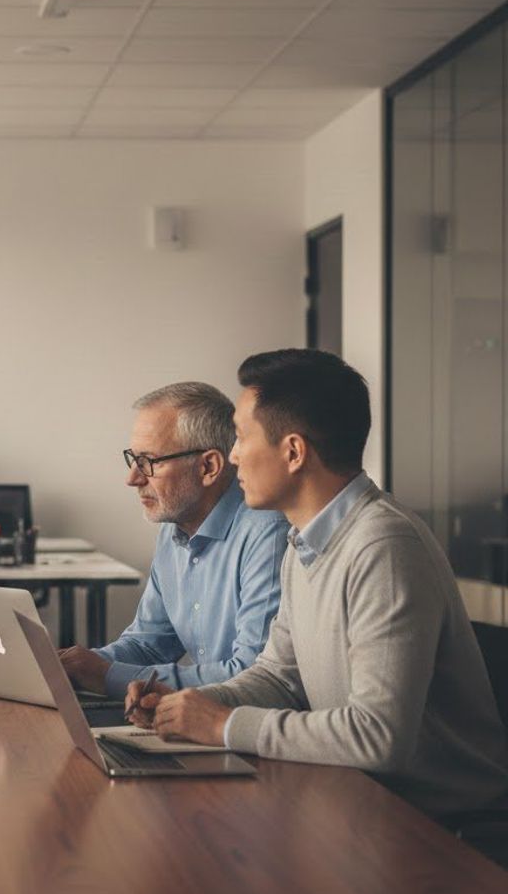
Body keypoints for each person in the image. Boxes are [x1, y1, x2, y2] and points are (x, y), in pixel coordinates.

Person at [131, 350, 508, 816]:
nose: (231, 455)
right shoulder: (305, 542)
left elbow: (378, 737)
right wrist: (189, 704)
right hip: (362, 801)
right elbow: (278, 676)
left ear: (293, 451)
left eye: (242, 437)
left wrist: (224, 725)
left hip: (442, 830)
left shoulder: (383, 547)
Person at [59, 382, 286, 698]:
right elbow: (149, 644)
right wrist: (74, 665)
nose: (133, 478)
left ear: (208, 466)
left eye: (149, 462)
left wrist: (108, 675)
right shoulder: (174, 527)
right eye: (133, 459)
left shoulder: (268, 532)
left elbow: (252, 675)